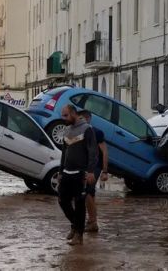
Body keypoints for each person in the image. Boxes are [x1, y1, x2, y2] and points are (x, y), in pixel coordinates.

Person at [58, 104, 98, 245]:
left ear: (74, 114)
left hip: (81, 174)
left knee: (80, 204)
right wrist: (60, 172)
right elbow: (64, 153)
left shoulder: (87, 129)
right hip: (67, 172)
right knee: (62, 201)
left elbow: (93, 152)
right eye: (63, 115)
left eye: (66, 115)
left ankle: (79, 235)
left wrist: (91, 171)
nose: (63, 118)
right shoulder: (67, 130)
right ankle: (75, 225)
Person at [78, 110, 109, 233]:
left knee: (87, 192)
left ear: (88, 119)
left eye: (82, 119)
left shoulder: (97, 132)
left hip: (95, 166)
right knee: (87, 194)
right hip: (84, 166)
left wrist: (105, 171)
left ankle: (92, 222)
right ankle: (91, 221)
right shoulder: (79, 132)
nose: (79, 121)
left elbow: (105, 152)